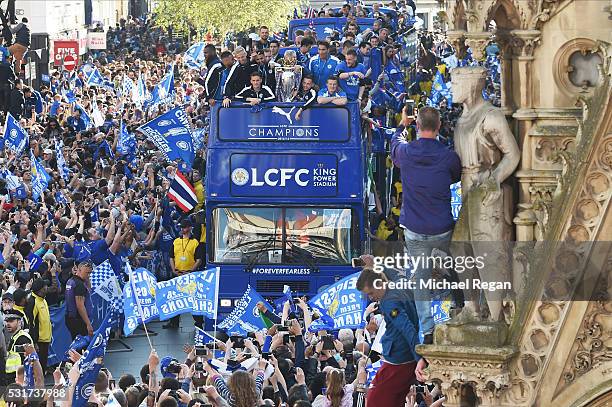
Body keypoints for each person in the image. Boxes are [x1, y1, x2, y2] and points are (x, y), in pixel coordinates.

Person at [390, 105, 461, 343]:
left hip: (415, 231)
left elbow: (394, 143)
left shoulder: (407, 152)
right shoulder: (448, 155)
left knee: (420, 278)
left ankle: (428, 331)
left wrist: (403, 124)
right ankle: (460, 306)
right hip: (442, 229)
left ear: (417, 126)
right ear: (439, 127)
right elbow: (455, 175)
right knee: (453, 267)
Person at [356, 266, 423, 406]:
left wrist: (420, 359)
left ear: (380, 284)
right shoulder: (399, 288)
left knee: (374, 401)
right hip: (407, 359)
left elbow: (407, 328)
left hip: (397, 360)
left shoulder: (388, 302)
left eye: (371, 293)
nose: (370, 298)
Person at [164, 218, 205, 329]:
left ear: (190, 228)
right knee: (174, 299)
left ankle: (199, 322)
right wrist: (174, 270)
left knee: (192, 299)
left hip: (189, 275)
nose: (182, 229)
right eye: (181, 227)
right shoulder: (176, 241)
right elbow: (171, 257)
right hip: (177, 273)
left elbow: (199, 259)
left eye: (185, 227)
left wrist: (191, 271)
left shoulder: (195, 242)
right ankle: (173, 322)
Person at [24, 279, 52, 372]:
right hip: (39, 342)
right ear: (40, 289)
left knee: (43, 366)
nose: (47, 288)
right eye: (45, 286)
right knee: (38, 368)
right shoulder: (33, 302)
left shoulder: (43, 299)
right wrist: (34, 342)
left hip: (45, 339)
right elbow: (31, 323)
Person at [65, 261, 94, 339]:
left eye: (90, 273)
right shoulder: (79, 285)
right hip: (79, 320)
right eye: (87, 273)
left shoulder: (71, 280)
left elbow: (89, 288)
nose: (88, 275)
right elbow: (80, 306)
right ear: (79, 270)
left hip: (71, 318)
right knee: (81, 345)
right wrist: (88, 324)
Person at [3, 309, 34, 383]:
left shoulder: (22, 338)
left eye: (11, 321)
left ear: (19, 322)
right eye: (7, 321)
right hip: (13, 376)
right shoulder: (15, 336)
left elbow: (25, 361)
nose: (8, 324)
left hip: (19, 378)